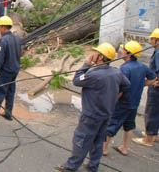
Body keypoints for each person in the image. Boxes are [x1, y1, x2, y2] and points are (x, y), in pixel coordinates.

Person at [56, 43, 130, 172]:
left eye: (96, 53)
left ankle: (71, 167)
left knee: (82, 140)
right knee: (98, 141)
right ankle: (93, 166)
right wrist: (114, 97)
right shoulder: (116, 73)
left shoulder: (94, 75)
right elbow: (126, 85)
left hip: (91, 115)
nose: (93, 54)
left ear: (100, 57)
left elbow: (77, 80)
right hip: (106, 114)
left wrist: (86, 64)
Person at [103, 41, 156, 156]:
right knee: (129, 125)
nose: (121, 51)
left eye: (123, 50)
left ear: (128, 53)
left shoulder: (125, 68)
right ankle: (124, 148)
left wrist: (113, 101)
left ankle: (104, 148)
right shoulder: (142, 66)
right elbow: (153, 78)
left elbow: (120, 88)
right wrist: (142, 84)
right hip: (135, 102)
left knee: (112, 124)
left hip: (123, 102)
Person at [132, 27, 159, 147]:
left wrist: (156, 81)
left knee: (152, 111)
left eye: (152, 39)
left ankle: (148, 139)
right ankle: (154, 134)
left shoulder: (158, 52)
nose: (151, 41)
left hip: (156, 87)